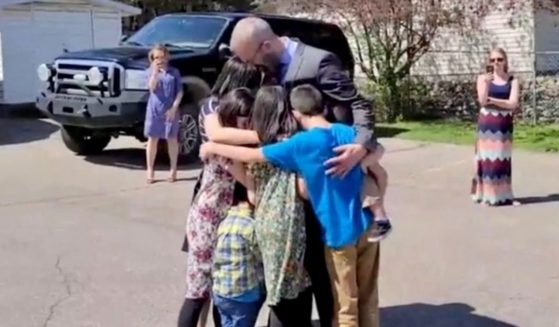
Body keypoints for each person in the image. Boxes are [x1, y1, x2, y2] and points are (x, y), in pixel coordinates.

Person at [229, 18, 380, 325]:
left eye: (252, 58)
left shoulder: (318, 61)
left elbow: (358, 104)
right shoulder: (266, 67)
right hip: (289, 185)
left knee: (330, 274)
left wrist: (361, 147)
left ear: (267, 46)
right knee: (306, 267)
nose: (252, 66)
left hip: (327, 179)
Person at [199, 85, 381, 327]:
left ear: (296, 113)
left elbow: (255, 161)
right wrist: (359, 161)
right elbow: (377, 148)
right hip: (365, 225)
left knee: (343, 304)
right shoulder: (345, 133)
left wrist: (212, 146)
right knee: (365, 297)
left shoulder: (298, 145)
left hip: (334, 233)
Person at [178, 61, 262, 327]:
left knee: (220, 289)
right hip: (209, 216)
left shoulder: (225, 136)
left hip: (224, 217)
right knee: (198, 290)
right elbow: (218, 137)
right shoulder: (215, 113)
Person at [212, 183, 265, 327]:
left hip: (221, 291)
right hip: (242, 294)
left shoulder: (224, 222)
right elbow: (261, 257)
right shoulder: (251, 226)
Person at [472, 47, 521, 207]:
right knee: (487, 160)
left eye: (499, 59)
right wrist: (487, 86)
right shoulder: (482, 78)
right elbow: (482, 101)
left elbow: (513, 104)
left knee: (503, 160)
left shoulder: (512, 80)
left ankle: (505, 196)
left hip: (504, 124)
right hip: (487, 122)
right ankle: (487, 196)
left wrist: (494, 101)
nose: (496, 63)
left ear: (505, 61)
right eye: (493, 60)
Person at [144, 44, 183, 184]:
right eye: (156, 57)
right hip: (154, 110)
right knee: (152, 139)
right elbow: (151, 88)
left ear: (167, 57)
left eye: (162, 57)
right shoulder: (150, 72)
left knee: (172, 139)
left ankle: (173, 169)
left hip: (170, 109)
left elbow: (179, 91)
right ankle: (150, 169)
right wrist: (155, 72)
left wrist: (174, 108)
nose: (160, 60)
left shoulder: (174, 72)